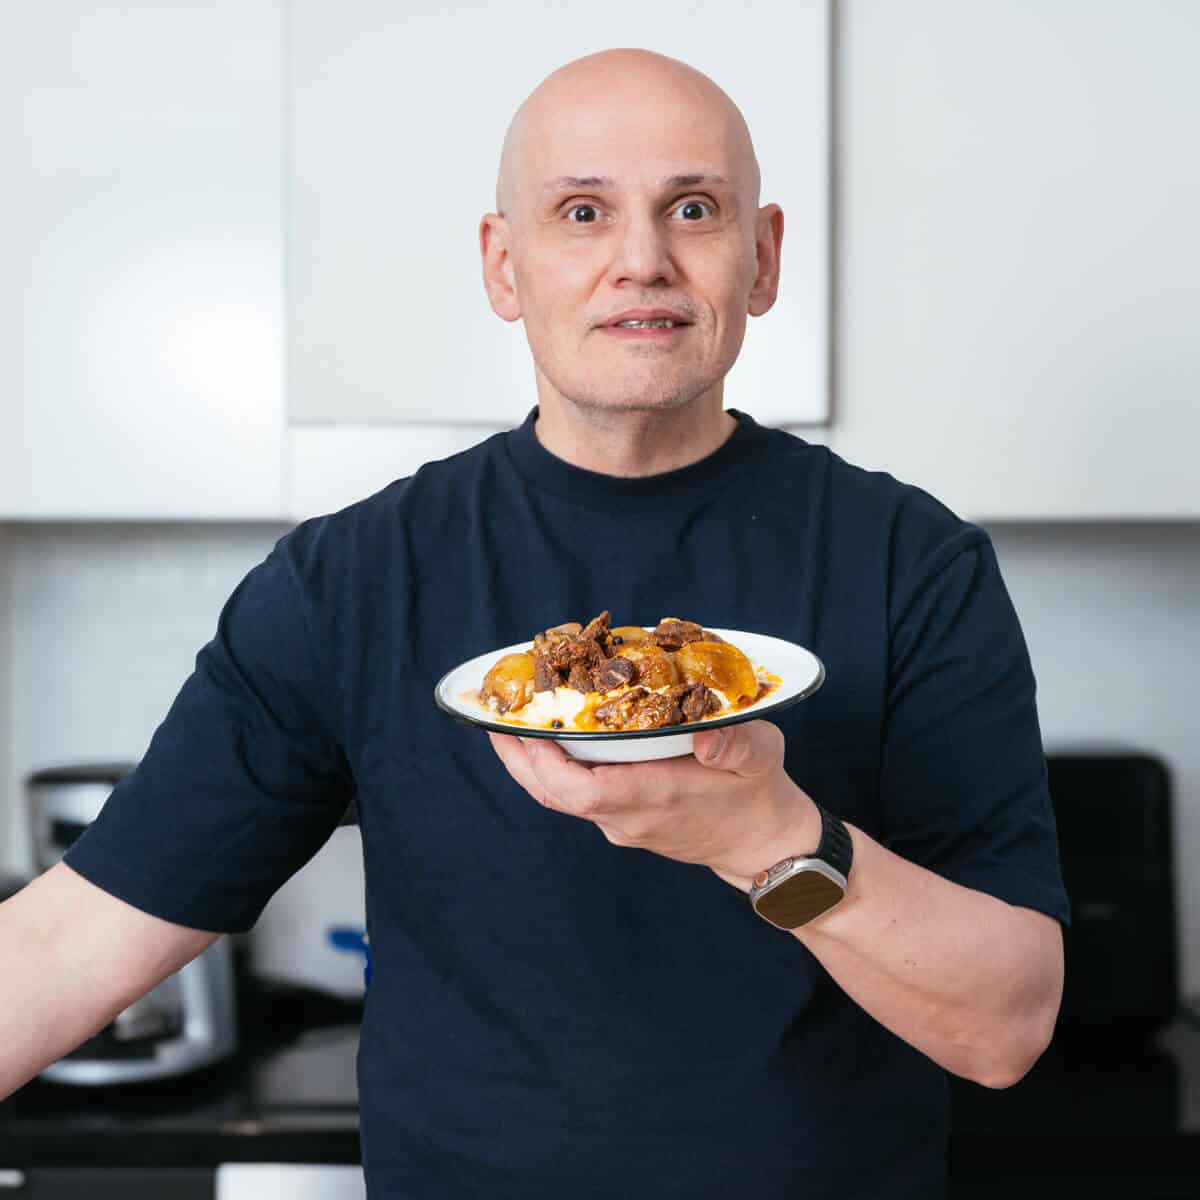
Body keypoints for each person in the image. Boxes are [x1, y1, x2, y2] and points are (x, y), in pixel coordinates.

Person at [0, 47, 1068, 1198]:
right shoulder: (350, 581)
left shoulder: (912, 563)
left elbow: (1005, 1026)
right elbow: (68, 942)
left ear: (760, 258)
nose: (641, 261)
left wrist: (770, 838)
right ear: (504, 265)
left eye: (692, 209)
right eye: (582, 212)